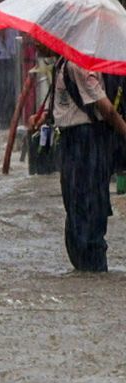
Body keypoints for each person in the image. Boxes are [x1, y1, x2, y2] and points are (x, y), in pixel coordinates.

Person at [30, 52, 126, 272]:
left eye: (41, 39)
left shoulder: (78, 65)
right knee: (76, 213)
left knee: (87, 214)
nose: (36, 43)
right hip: (75, 142)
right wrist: (44, 117)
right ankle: (85, 276)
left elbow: (108, 110)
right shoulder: (63, 64)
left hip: (88, 143)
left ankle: (93, 272)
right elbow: (69, 104)